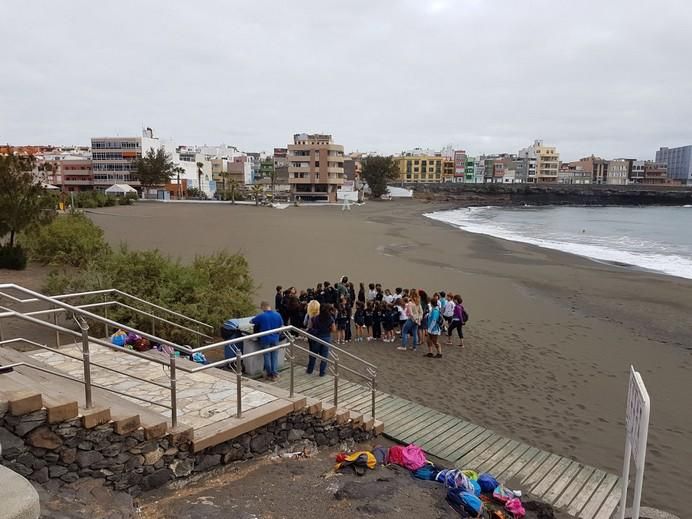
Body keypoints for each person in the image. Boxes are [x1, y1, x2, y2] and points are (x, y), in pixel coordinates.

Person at [250, 301, 284, 380]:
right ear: (270, 306)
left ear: (262, 307)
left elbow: (251, 321)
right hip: (275, 338)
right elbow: (281, 325)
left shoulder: (261, 316)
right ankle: (275, 373)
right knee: (274, 356)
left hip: (265, 339)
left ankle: (269, 374)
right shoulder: (277, 315)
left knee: (267, 356)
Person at [306, 304, 336, 376]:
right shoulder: (330, 319)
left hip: (316, 338)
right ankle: (322, 372)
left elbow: (310, 327)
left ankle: (310, 370)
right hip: (326, 338)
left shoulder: (315, 318)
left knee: (313, 355)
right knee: (324, 356)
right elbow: (334, 329)